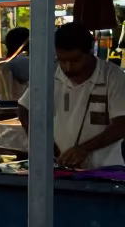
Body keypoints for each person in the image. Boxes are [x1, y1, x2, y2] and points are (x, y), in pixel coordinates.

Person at [18, 22, 125, 170]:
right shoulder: (50, 73)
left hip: (105, 168)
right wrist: (45, 144)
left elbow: (122, 124)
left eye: (75, 61)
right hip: (61, 168)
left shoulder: (113, 76)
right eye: (62, 60)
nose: (68, 67)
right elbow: (24, 108)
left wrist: (84, 149)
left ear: (90, 51)